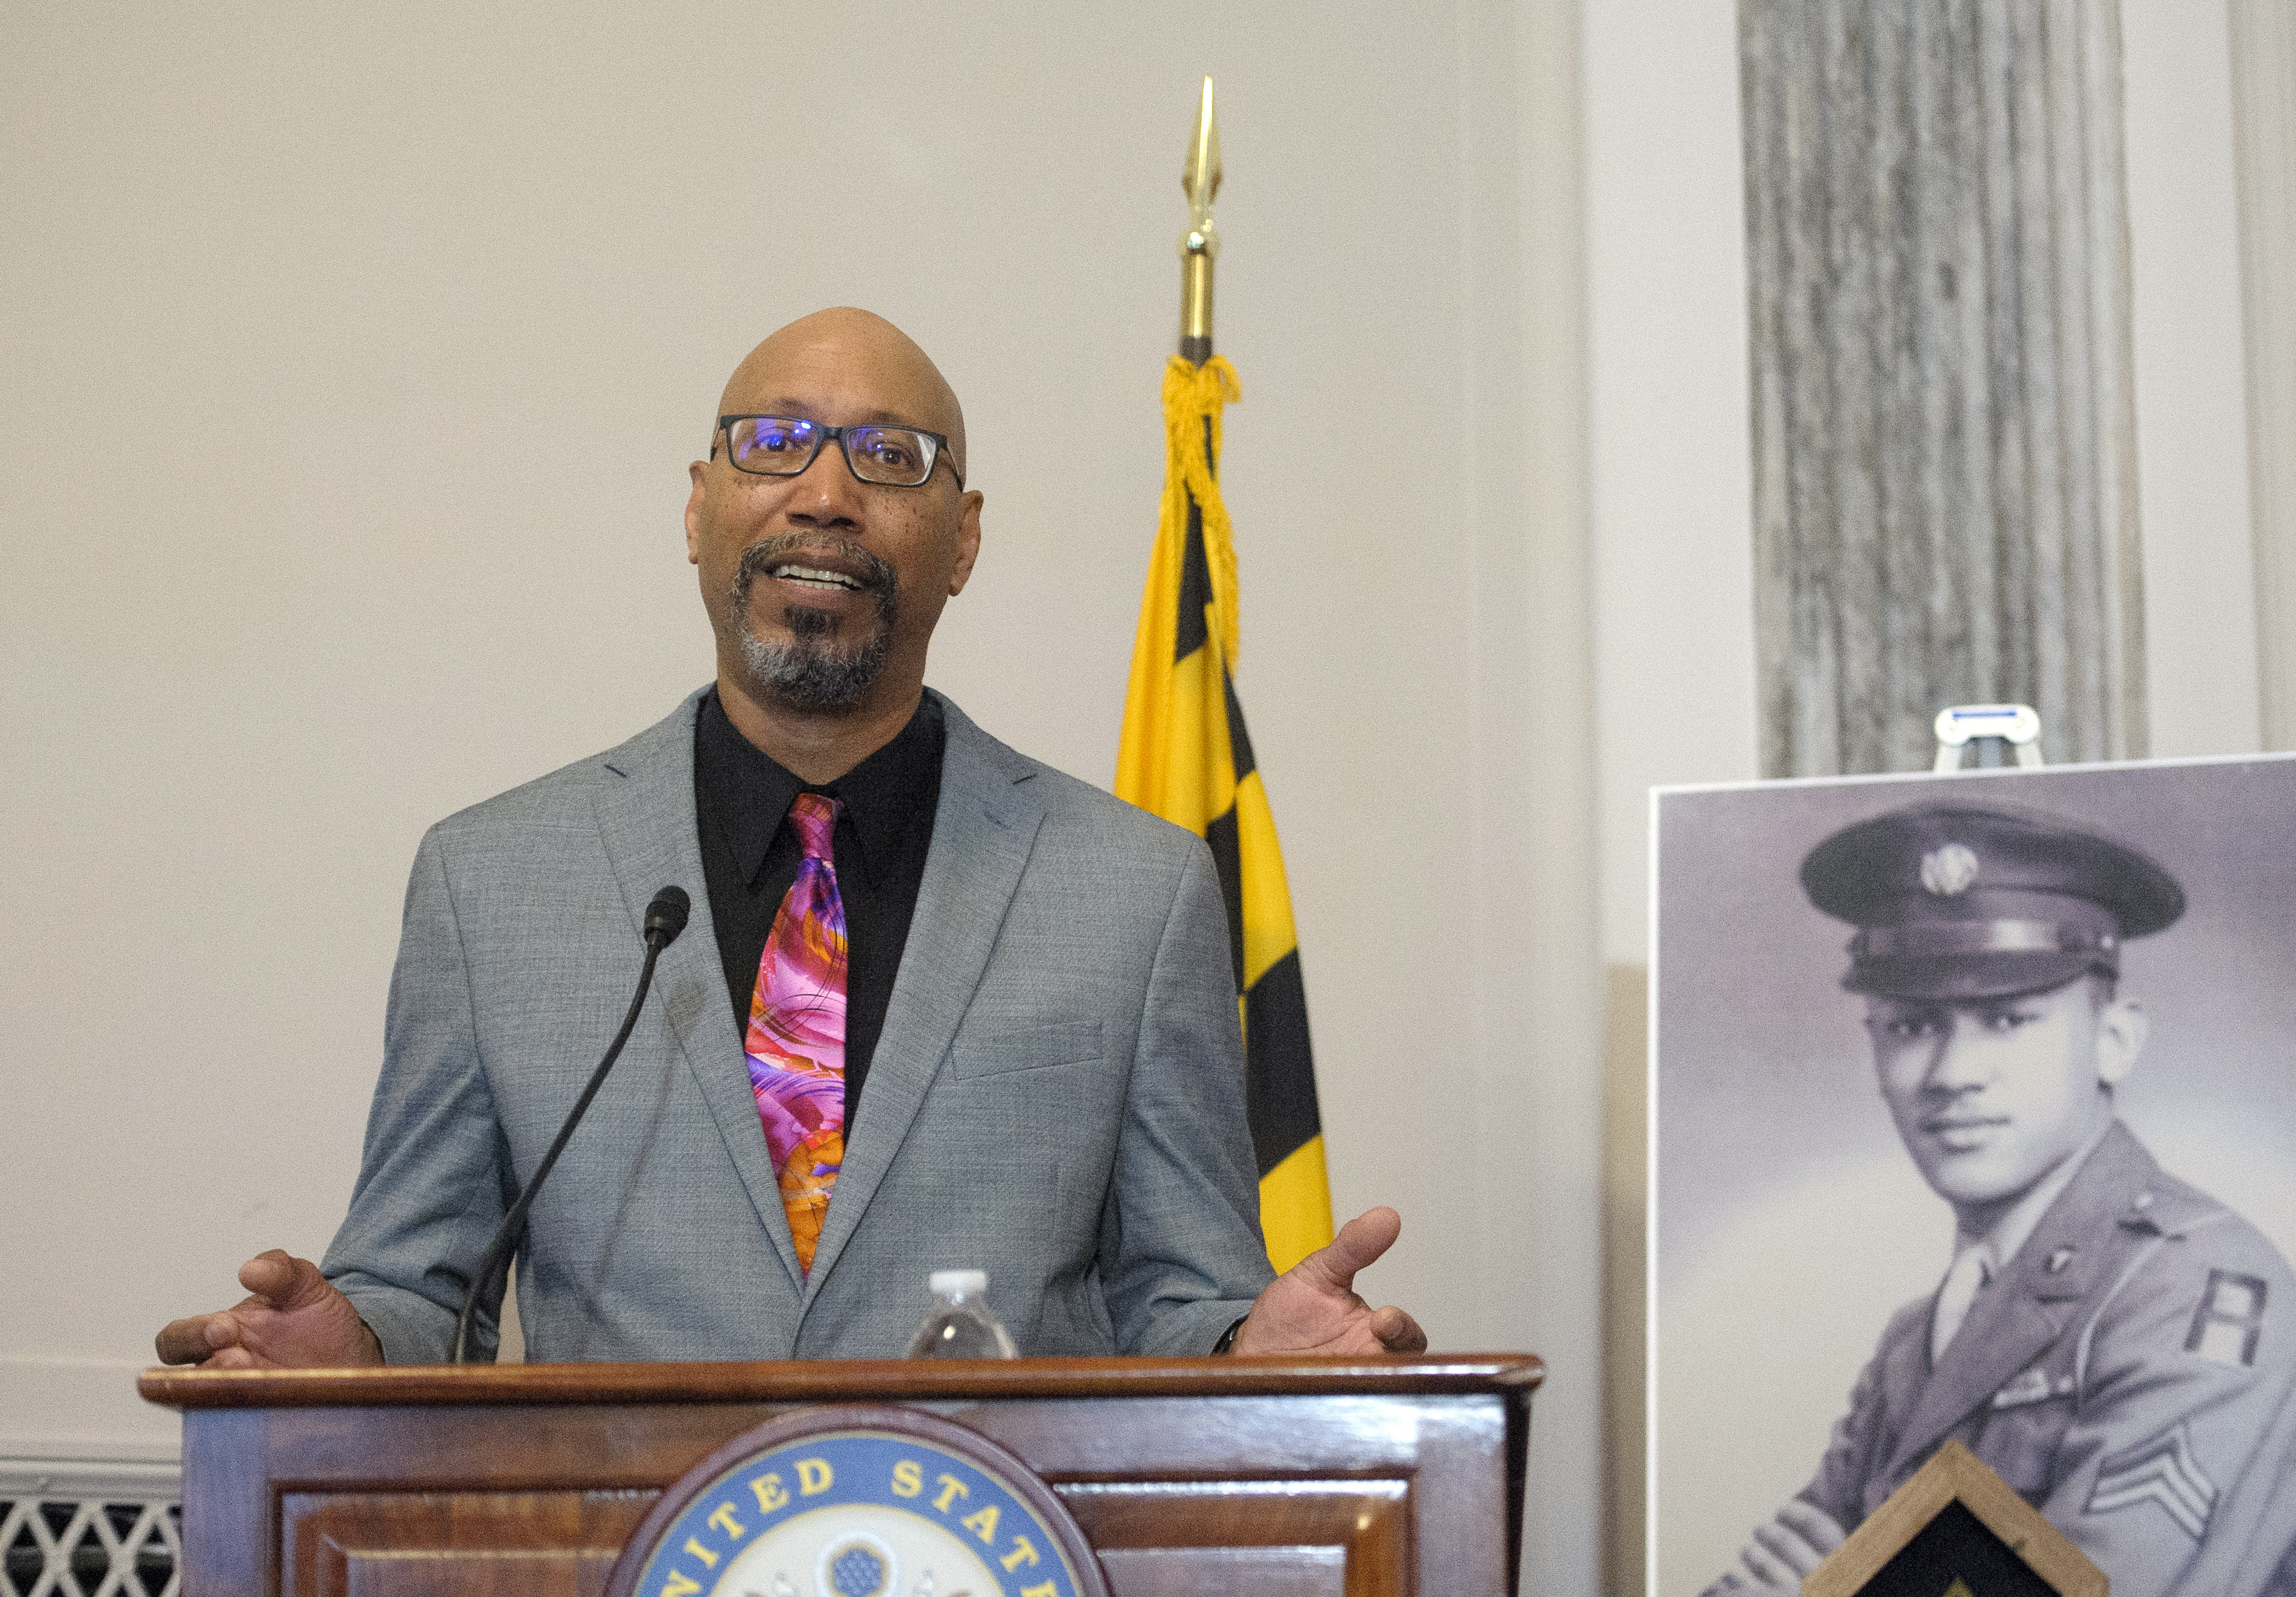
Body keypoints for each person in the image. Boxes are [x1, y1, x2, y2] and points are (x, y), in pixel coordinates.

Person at [155, 308, 1423, 1371]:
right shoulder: (490, 883)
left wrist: (1243, 1353)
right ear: (699, 508)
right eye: (771, 446)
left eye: (889, 456)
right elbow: (424, 1285)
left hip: (998, 1591)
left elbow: (1177, 1295)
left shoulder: (1134, 892)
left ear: (964, 537)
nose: (824, 496)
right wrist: (355, 1346)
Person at [1672, 801, 2296, 1597]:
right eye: (1911, 1025)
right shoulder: (1918, 1337)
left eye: (2009, 1019)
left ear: (2114, 1038)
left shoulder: (2199, 1293)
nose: (1950, 1074)